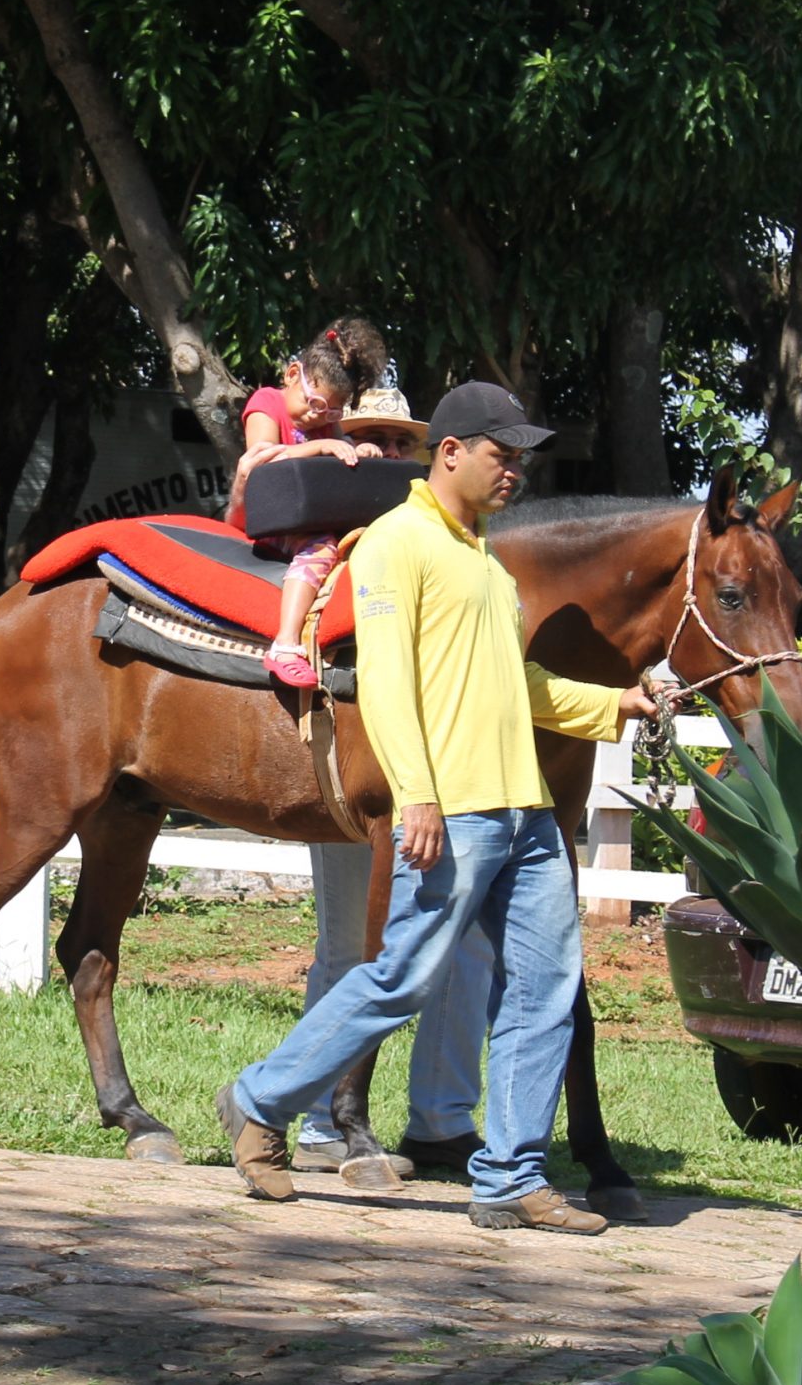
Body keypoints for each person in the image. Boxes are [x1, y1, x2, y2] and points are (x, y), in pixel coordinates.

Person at [216, 381, 658, 1234]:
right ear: (450, 452)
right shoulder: (395, 546)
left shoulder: (486, 563)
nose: (514, 473)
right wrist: (415, 793)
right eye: (502, 455)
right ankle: (260, 1100)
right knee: (402, 977)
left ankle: (510, 1176)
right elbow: (386, 681)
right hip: (454, 810)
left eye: (520, 459)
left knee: (543, 990)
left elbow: (516, 683)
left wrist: (613, 706)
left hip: (525, 815)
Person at [290, 383, 495, 1178]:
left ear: (426, 452)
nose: (382, 451)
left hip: (451, 778)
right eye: (366, 436)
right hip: (360, 777)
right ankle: (315, 1121)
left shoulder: (455, 544)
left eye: (398, 440)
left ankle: (441, 1119)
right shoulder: (340, 545)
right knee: (348, 943)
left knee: (466, 946)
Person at [227, 319, 390, 688]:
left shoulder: (326, 424)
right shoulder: (266, 403)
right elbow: (260, 462)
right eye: (314, 402)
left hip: (306, 517)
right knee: (322, 547)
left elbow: (338, 452)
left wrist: (357, 450)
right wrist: (320, 447)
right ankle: (285, 644)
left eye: (333, 412)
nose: (319, 416)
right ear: (292, 374)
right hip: (269, 521)